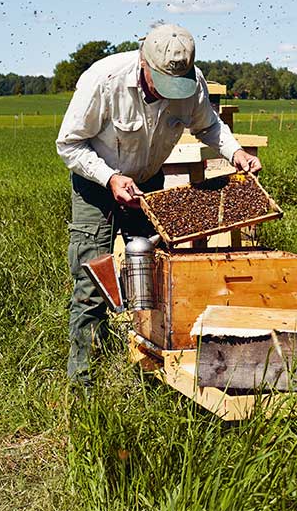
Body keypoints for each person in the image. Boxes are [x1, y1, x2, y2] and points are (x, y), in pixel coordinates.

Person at [56, 23, 261, 384]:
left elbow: (208, 126)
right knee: (93, 283)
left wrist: (236, 152)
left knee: (155, 277)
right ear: (143, 61)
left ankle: (149, 369)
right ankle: (84, 383)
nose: (169, 91)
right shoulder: (103, 80)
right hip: (97, 183)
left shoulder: (190, 81)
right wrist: (110, 178)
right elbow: (69, 144)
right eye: (161, 81)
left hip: (148, 182)